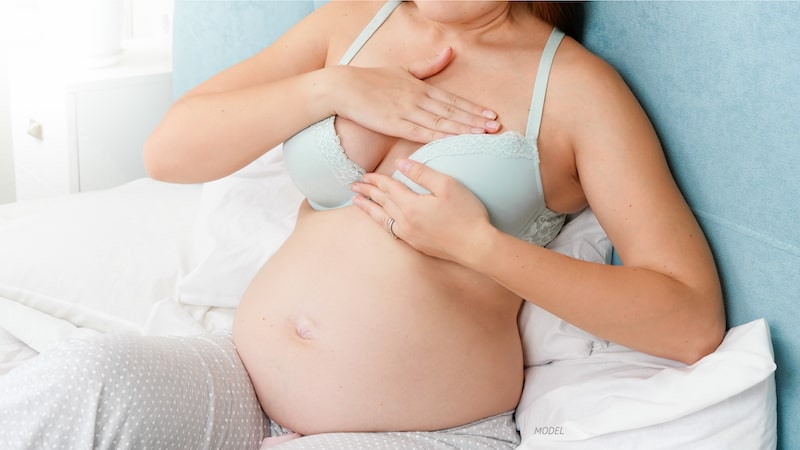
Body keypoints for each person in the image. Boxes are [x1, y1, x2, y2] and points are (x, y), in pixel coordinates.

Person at [0, 1, 725, 449]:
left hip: (416, 431)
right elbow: (170, 151)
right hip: (243, 385)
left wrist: (480, 246)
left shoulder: (579, 92)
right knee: (85, 381)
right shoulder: (352, 23)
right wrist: (331, 87)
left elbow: (688, 320)